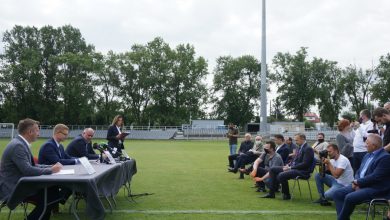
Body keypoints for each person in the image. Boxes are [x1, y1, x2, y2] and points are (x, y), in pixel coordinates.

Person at [0, 118, 62, 220]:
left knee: (52, 191)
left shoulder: (21, 143)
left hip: (21, 184)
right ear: (30, 132)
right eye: (37, 130)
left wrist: (50, 167)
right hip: (13, 188)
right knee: (51, 195)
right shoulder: (18, 146)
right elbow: (28, 170)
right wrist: (51, 170)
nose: (39, 133)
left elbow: (32, 165)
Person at [333, 134, 390, 220]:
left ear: (374, 146)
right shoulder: (367, 155)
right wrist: (356, 180)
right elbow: (359, 171)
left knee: (350, 197)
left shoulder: (385, 157)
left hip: (376, 188)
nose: (364, 145)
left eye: (367, 143)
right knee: (337, 194)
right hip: (362, 185)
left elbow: (376, 177)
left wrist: (358, 182)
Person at [261, 133, 314, 200]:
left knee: (281, 175)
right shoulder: (300, 147)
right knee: (272, 169)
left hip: (303, 171)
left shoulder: (308, 149)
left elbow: (305, 164)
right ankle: (271, 193)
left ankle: (286, 195)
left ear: (303, 139)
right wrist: (288, 165)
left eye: (297, 140)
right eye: (295, 140)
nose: (295, 142)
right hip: (294, 168)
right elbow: (295, 160)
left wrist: (291, 167)